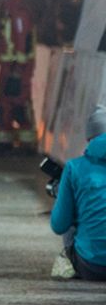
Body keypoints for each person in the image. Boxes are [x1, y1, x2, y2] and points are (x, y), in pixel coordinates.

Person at [50, 107, 106, 281]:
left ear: (89, 138)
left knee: (71, 214)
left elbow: (59, 225)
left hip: (92, 267)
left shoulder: (75, 168)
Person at [0, 0, 37, 155]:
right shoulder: (9, 10)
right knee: (6, 101)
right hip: (10, 64)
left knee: (19, 102)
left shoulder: (18, 12)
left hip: (17, 66)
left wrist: (18, 67)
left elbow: (21, 39)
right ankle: (5, 141)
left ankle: (26, 143)